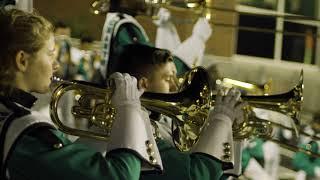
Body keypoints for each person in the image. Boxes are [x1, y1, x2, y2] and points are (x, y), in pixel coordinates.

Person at [0, 8, 164, 179]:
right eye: (49, 54)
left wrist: (107, 128)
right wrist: (128, 110)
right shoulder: (29, 135)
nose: (55, 65)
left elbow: (68, 165)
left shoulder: (10, 118)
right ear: (22, 61)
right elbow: (120, 176)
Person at [111, 43, 246, 180]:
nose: (175, 86)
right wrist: (221, 120)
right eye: (168, 78)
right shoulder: (139, 127)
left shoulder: (164, 124)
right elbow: (194, 176)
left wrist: (231, 131)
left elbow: (217, 176)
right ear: (143, 84)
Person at [92, 0, 212, 85]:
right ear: (124, 1)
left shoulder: (118, 21)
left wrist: (165, 27)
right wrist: (197, 41)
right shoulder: (126, 27)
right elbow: (155, 67)